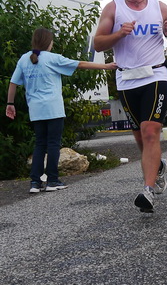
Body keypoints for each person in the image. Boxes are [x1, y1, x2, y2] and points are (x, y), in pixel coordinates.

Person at [94, 0, 167, 213]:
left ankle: (148, 191)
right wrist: (119, 33)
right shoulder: (113, 8)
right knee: (141, 137)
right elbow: (98, 43)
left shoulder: (159, 7)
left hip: (155, 75)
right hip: (126, 79)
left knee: (150, 131)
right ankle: (159, 166)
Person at [6, 28, 117, 193]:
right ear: (48, 42)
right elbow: (80, 64)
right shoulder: (53, 58)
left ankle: (35, 183)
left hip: (35, 109)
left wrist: (10, 103)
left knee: (40, 144)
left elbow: (13, 83)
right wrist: (106, 66)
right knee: (53, 144)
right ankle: (52, 180)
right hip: (53, 108)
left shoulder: (24, 59)